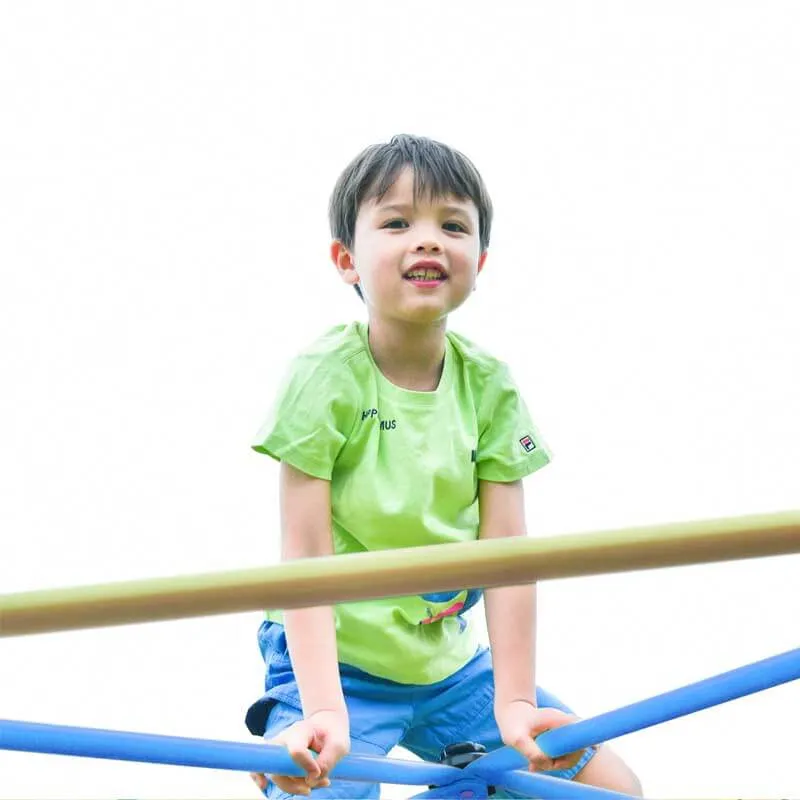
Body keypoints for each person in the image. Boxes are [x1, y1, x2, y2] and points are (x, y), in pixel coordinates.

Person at [245, 134, 643, 798]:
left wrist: (514, 702)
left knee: (610, 788)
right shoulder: (324, 377)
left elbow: (508, 557)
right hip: (334, 662)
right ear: (347, 259)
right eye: (397, 222)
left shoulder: (489, 385)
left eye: (451, 225)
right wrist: (320, 711)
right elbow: (304, 557)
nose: (428, 240)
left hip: (449, 669)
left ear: (479, 260)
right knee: (314, 787)